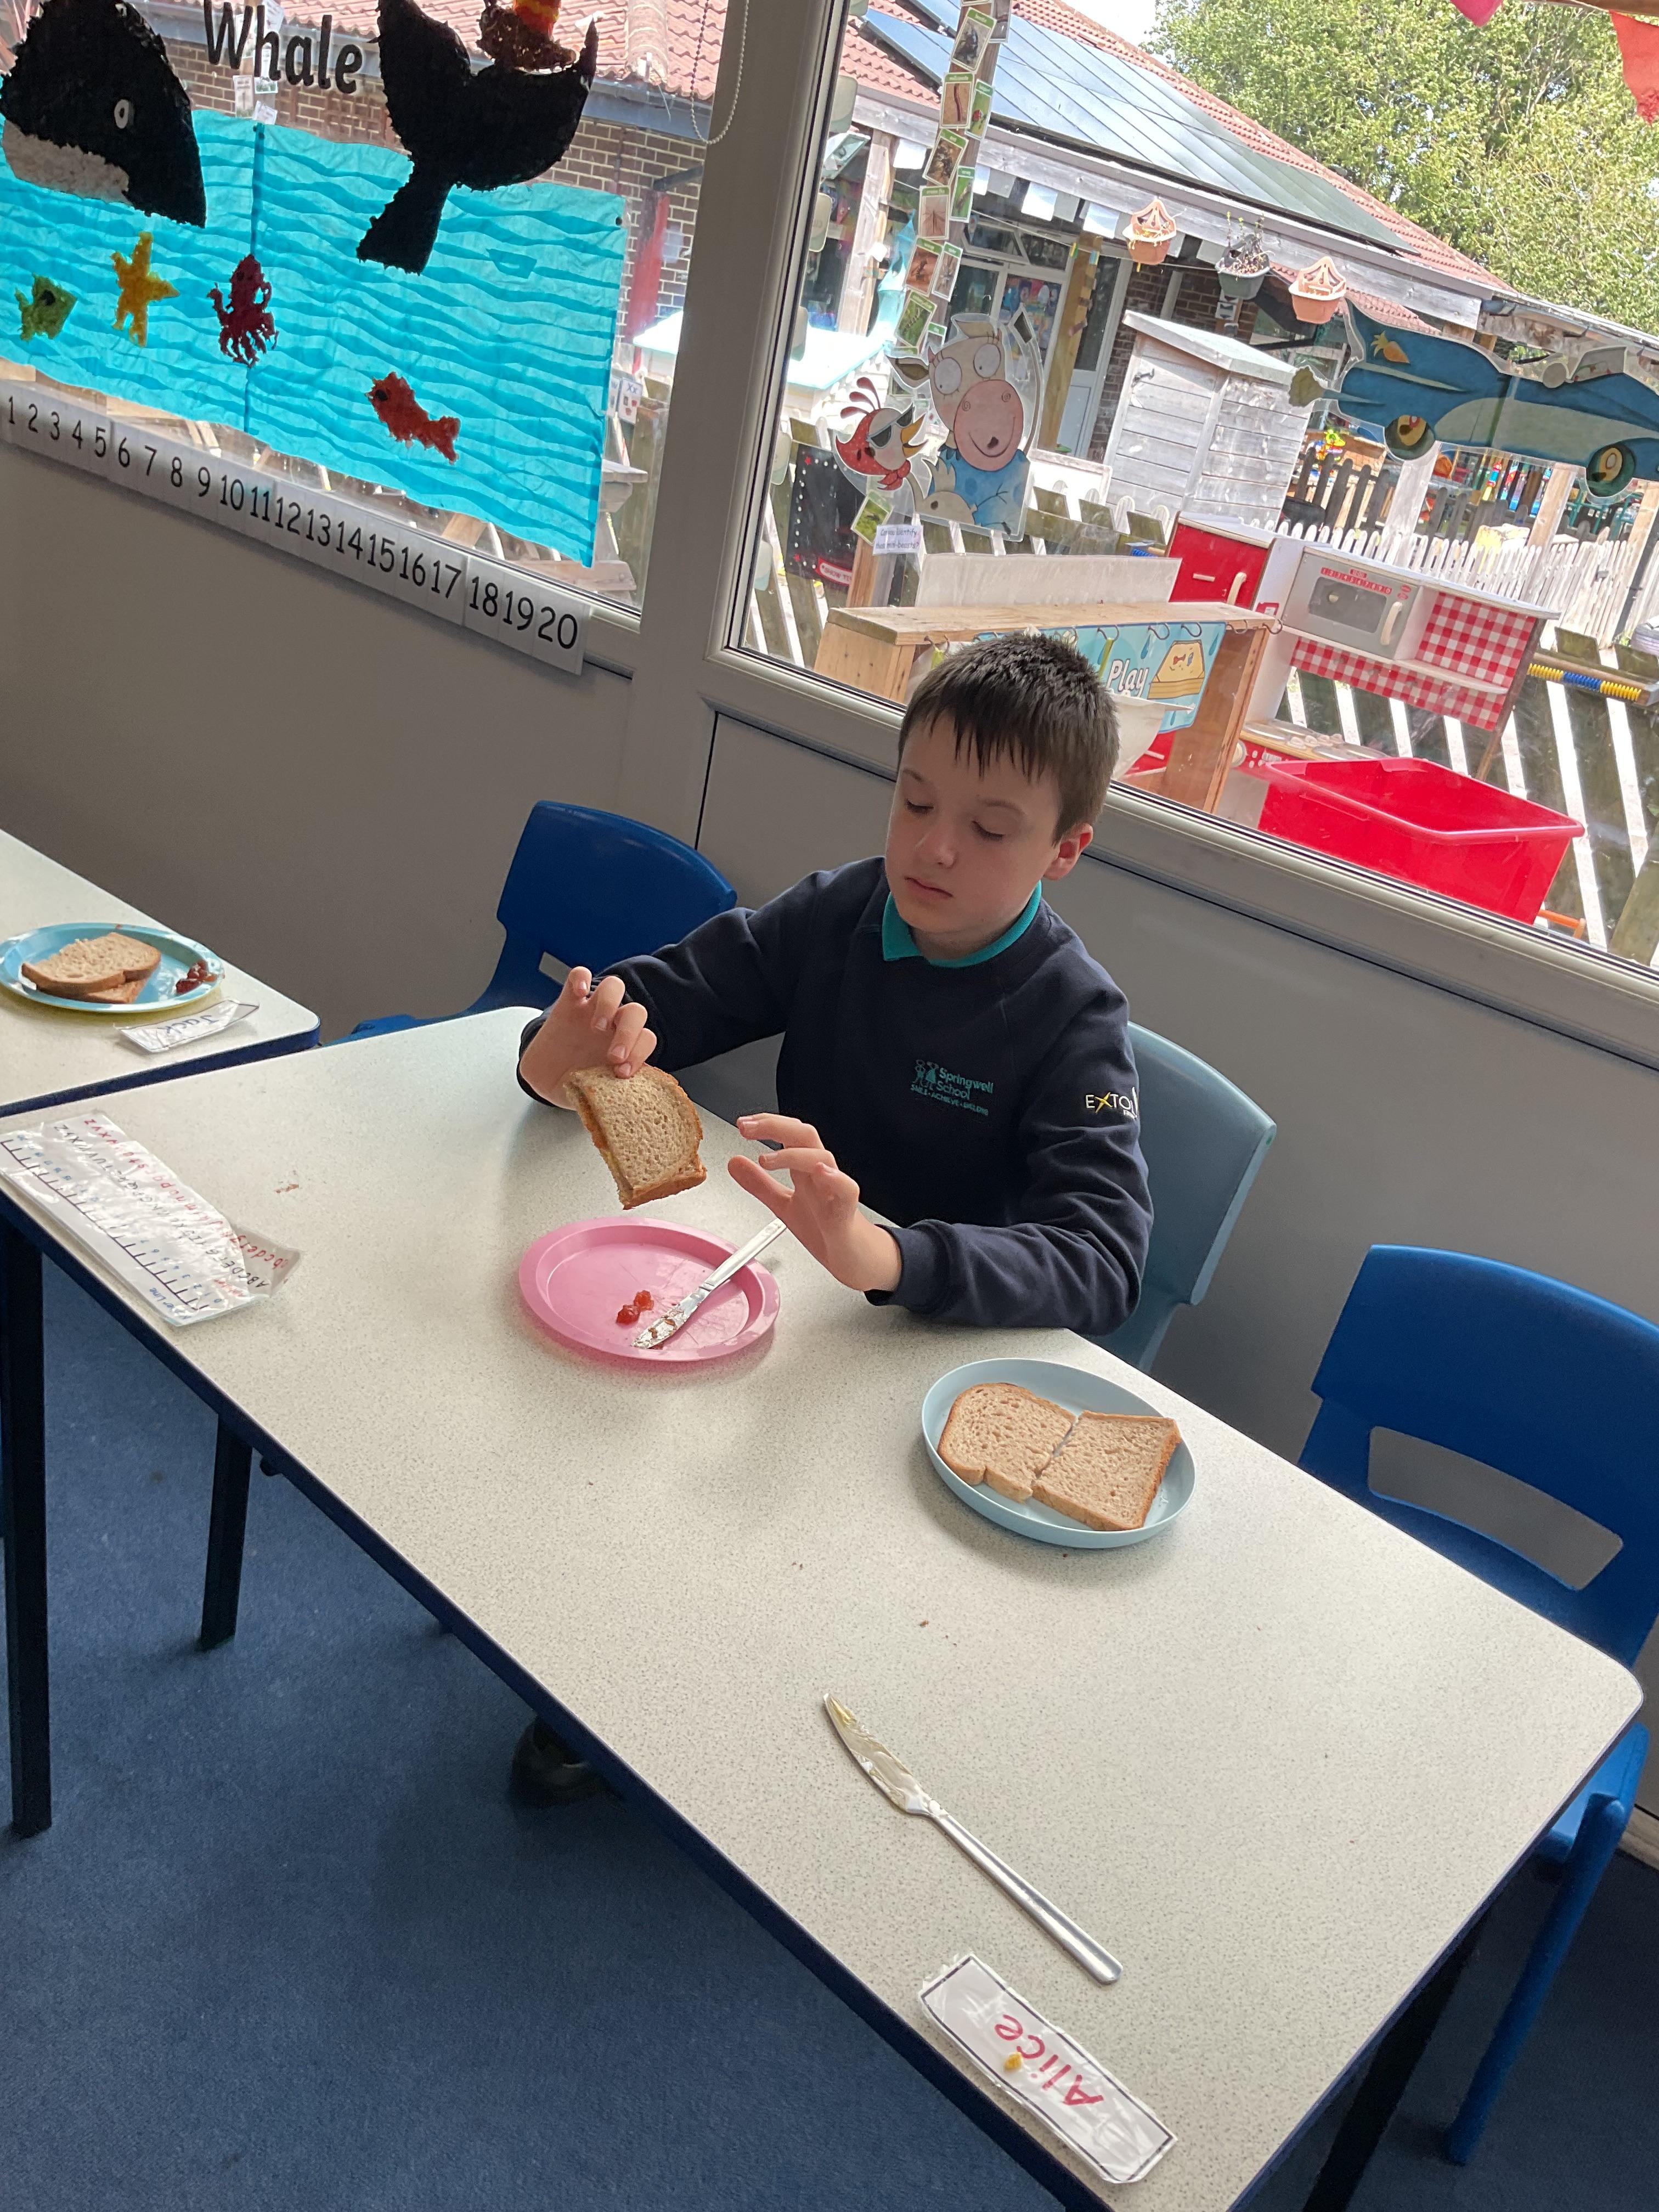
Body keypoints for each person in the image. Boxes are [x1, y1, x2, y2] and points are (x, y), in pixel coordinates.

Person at [510, 633, 1153, 1804]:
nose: (934, 847)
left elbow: (1104, 1259)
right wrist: (558, 1058)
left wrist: (888, 1254)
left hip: (924, 1363)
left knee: (776, 1550)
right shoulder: (844, 912)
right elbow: (664, 1002)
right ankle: (615, 1668)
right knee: (597, 1426)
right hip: (778, 1306)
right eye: (915, 800)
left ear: (1066, 850)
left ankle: (713, 1689)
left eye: (990, 828)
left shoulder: (1075, 1017)